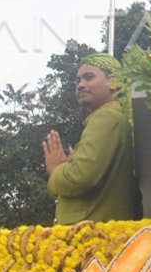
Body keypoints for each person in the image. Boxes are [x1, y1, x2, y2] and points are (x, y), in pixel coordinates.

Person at [42, 53, 140, 224]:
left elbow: (81, 176)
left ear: (114, 82)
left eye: (89, 77)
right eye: (78, 81)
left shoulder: (106, 118)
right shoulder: (111, 118)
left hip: (90, 235)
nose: (80, 85)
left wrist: (56, 170)